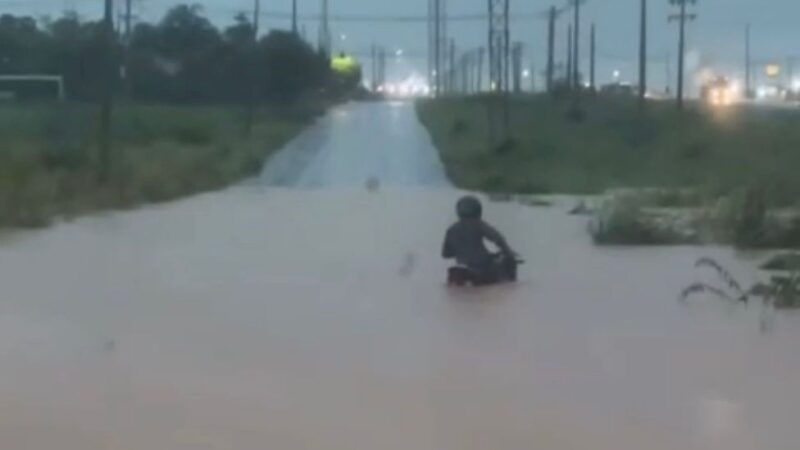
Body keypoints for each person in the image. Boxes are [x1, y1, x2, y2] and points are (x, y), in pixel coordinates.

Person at [442, 195, 518, 285]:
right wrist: (509, 253)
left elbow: (445, 254)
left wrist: (461, 251)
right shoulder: (479, 224)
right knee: (506, 270)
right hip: (482, 266)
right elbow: (498, 238)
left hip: (461, 266)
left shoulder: (451, 229)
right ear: (477, 209)